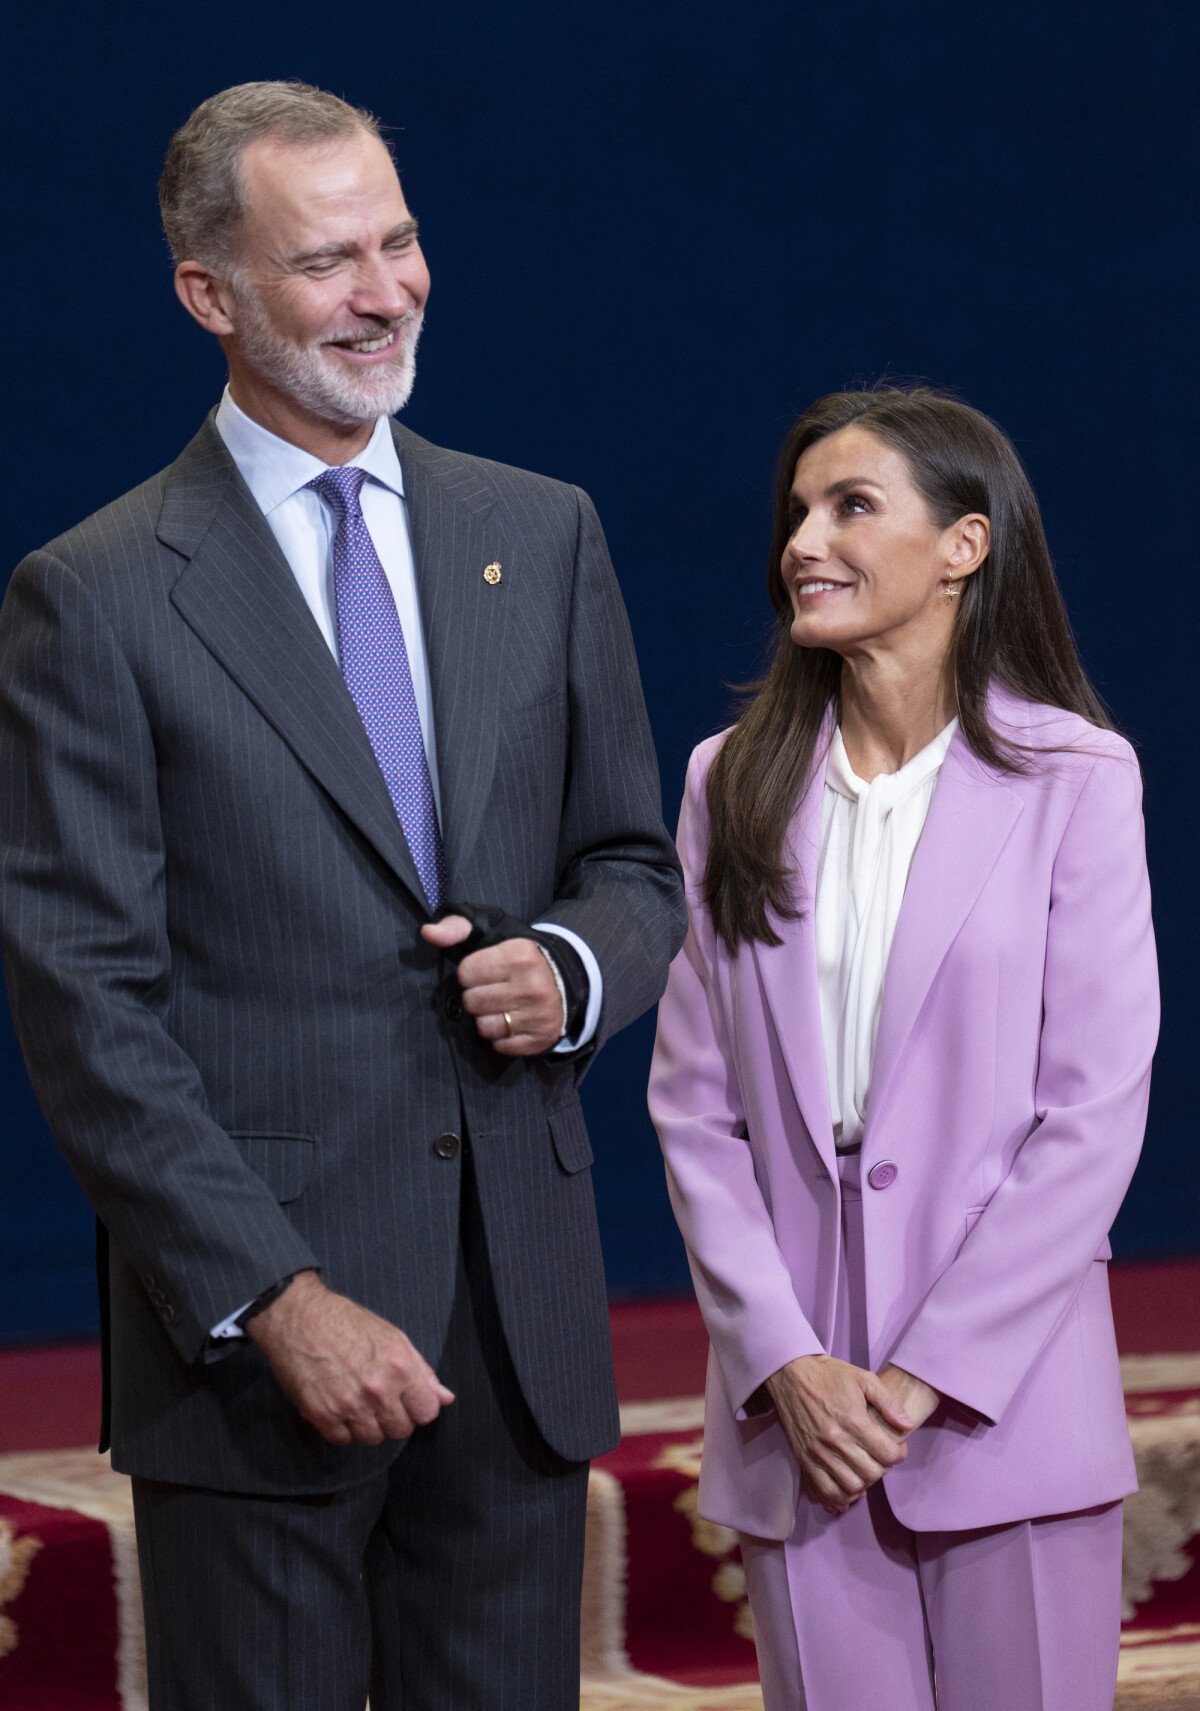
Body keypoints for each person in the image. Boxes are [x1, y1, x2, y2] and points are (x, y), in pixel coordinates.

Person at [0, 81, 685, 1711]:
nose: (387, 292)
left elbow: (636, 869)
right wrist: (272, 1299)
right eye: (328, 261)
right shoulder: (92, 597)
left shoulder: (544, 530)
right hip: (262, 1355)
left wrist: (573, 970)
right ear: (209, 295)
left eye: (401, 240)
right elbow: (85, 998)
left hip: (516, 1337)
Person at [649, 386, 1157, 1711]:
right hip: (799, 1417)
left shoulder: (1078, 778)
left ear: (963, 547)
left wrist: (929, 1377)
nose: (803, 541)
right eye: (797, 512)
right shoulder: (727, 780)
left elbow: (1092, 1112)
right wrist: (787, 1362)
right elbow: (696, 1109)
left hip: (1010, 1401)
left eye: (851, 507)